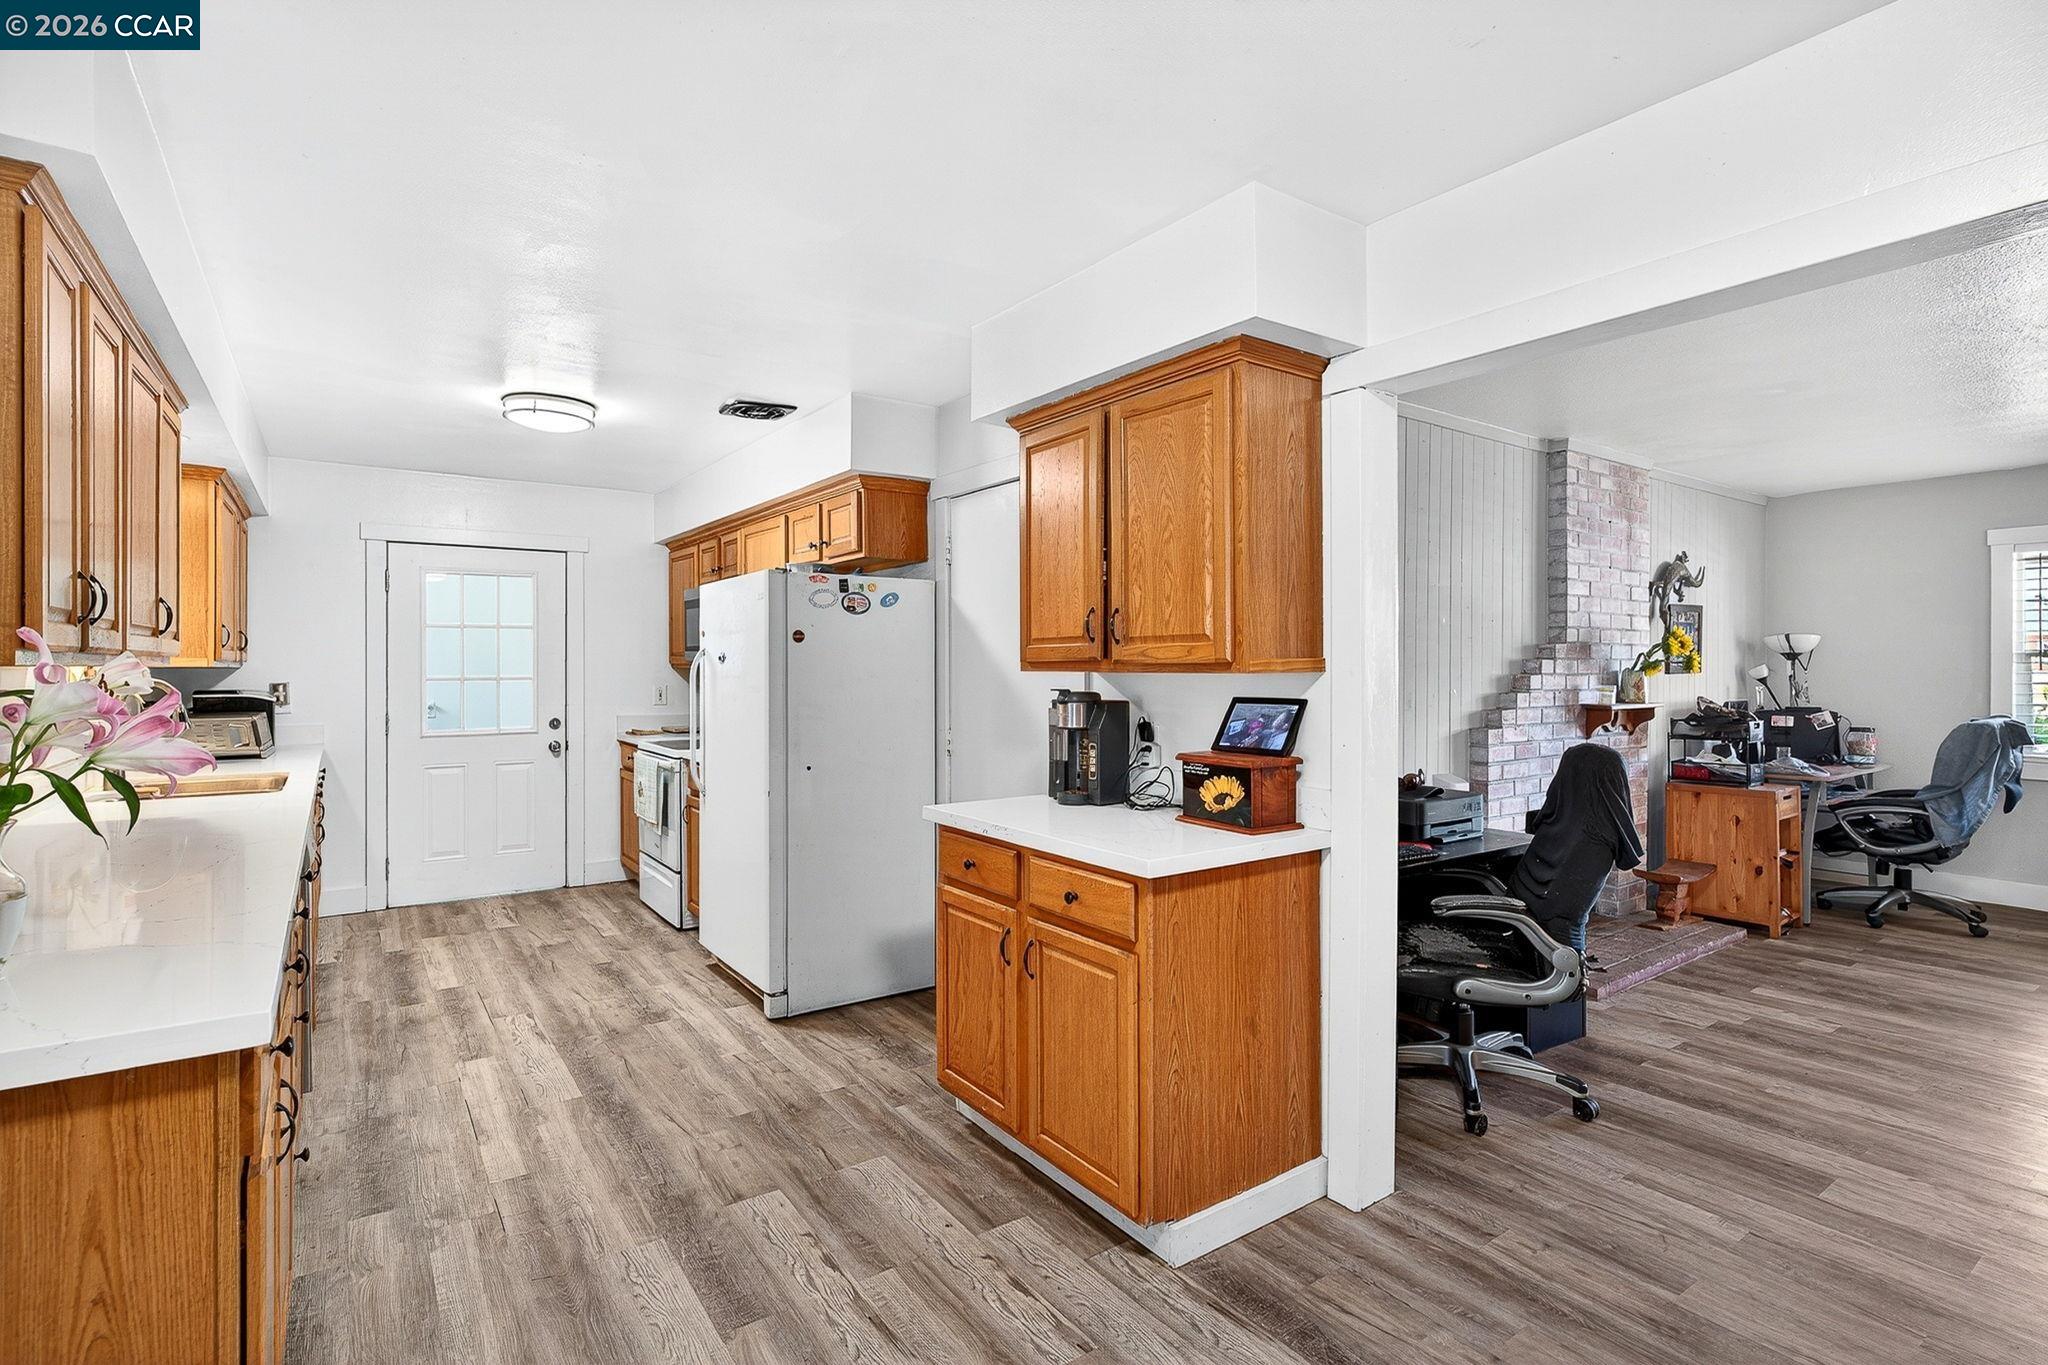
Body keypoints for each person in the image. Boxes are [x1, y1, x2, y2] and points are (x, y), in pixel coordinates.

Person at [1505, 744, 1644, 958]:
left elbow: (1554, 912)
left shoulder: (1587, 838)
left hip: (1532, 947)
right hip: (1535, 942)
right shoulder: (1591, 830)